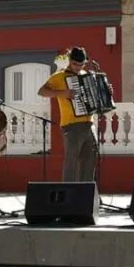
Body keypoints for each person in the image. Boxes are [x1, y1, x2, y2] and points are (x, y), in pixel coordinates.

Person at [38, 46, 100, 182]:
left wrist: (105, 92)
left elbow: (96, 97)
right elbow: (42, 91)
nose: (78, 67)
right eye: (75, 64)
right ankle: (68, 193)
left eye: (81, 64)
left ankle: (86, 193)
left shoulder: (86, 75)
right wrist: (62, 93)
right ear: (70, 61)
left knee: (90, 160)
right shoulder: (59, 76)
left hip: (90, 124)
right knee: (71, 162)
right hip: (71, 125)